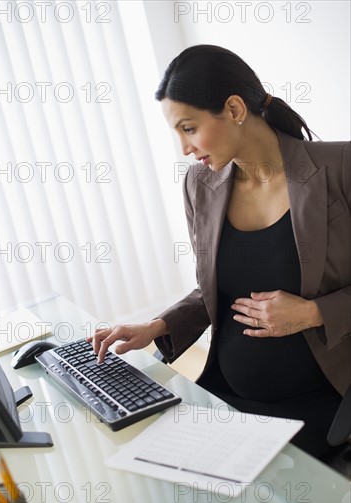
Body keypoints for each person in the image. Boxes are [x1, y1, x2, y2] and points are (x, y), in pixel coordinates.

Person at [88, 45, 351, 459]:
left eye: (189, 129)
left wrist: (312, 313)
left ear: (233, 109)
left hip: (320, 404)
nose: (184, 149)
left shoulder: (340, 169)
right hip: (223, 395)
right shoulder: (200, 185)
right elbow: (216, 289)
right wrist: (156, 326)